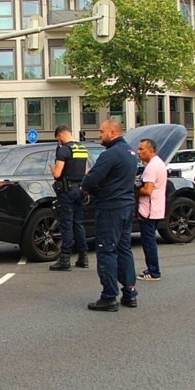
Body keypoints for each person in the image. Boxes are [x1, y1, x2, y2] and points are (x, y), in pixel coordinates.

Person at [80, 119, 139, 312]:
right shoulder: (131, 153)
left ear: (113, 133)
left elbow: (92, 179)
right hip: (127, 206)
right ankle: (130, 292)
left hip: (110, 207)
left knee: (107, 250)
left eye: (101, 131)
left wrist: (87, 187)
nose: (99, 135)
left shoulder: (110, 154)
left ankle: (109, 296)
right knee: (124, 249)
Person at [48, 125, 89, 271]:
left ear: (60, 135)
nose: (58, 141)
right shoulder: (82, 149)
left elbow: (57, 174)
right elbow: (86, 171)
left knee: (66, 224)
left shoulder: (64, 150)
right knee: (78, 223)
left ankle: (65, 259)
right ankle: (83, 257)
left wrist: (52, 168)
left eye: (57, 139)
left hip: (66, 191)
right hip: (79, 190)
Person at [135, 138, 167, 282]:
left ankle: (154, 271)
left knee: (148, 241)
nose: (138, 152)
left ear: (151, 150)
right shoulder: (159, 163)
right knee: (149, 240)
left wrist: (135, 189)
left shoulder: (151, 167)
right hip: (156, 208)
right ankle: (152, 269)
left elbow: (147, 190)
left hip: (148, 209)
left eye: (142, 149)